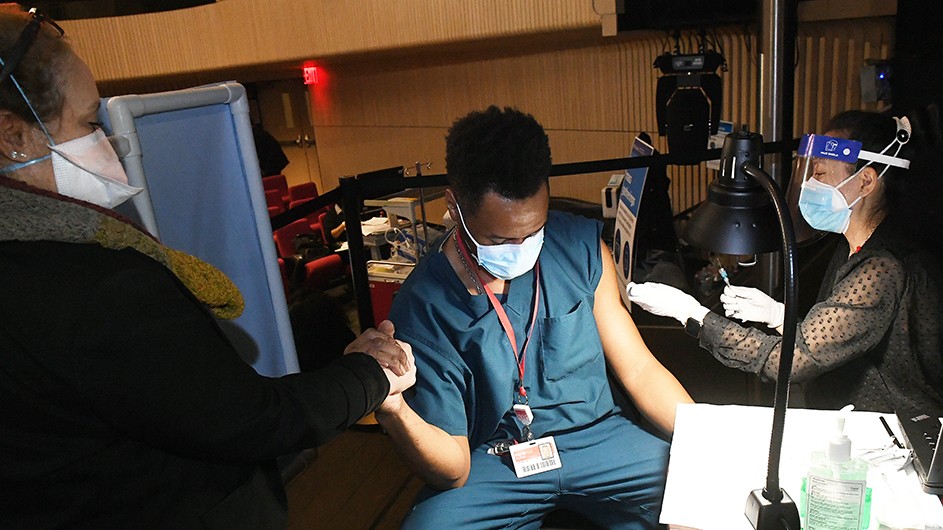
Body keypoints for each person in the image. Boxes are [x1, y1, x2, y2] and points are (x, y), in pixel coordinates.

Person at [0, 6, 415, 528]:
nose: (114, 141)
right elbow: (252, 421)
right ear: (14, 135)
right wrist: (371, 372)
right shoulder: (96, 288)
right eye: (89, 123)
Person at [375, 106, 693, 529]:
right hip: (497, 458)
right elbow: (452, 467)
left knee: (708, 494)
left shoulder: (577, 248)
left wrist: (704, 440)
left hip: (599, 438)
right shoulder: (425, 304)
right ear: (454, 205)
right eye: (500, 239)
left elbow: (638, 369)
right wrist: (394, 410)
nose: (521, 247)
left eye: (534, 231)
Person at [628, 110, 943, 415]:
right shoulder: (851, 245)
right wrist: (778, 316)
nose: (809, 186)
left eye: (819, 174)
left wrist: (691, 314)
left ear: (866, 182)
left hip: (898, 437)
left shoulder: (884, 267)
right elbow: (840, 336)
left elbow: (794, 359)